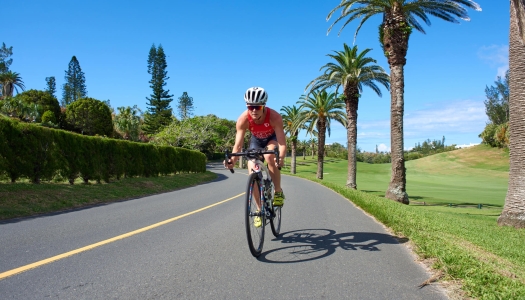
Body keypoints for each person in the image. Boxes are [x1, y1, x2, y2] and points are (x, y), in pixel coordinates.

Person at [224, 87, 287, 211]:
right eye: (250, 107)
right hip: (256, 141)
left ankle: (278, 191)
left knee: (269, 156)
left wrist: (281, 158)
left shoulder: (274, 117)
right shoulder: (243, 119)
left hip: (272, 138)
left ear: (263, 106)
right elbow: (238, 145)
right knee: (252, 170)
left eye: (257, 107)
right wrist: (232, 161)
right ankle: (259, 209)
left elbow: (282, 143)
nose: (253, 110)